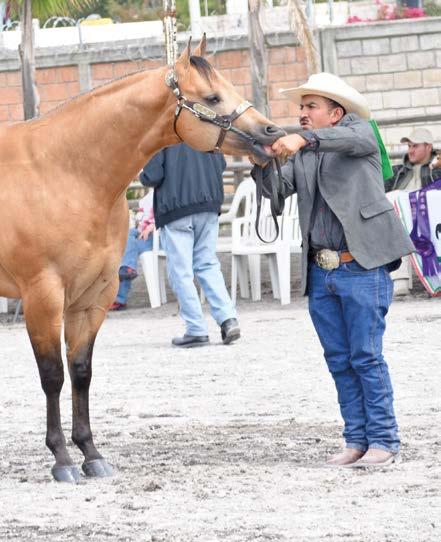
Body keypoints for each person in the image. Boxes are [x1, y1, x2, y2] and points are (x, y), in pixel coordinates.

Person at [253, 72, 414, 467]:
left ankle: (384, 439)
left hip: (361, 266)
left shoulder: (361, 133)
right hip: (322, 271)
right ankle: (356, 440)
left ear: (337, 113)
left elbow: (355, 139)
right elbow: (276, 192)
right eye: (301, 107)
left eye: (311, 106)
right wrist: (261, 162)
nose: (303, 113)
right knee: (340, 360)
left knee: (366, 356)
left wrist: (303, 139)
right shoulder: (305, 153)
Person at [140, 143, 240, 348]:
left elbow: (152, 175)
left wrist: (141, 173)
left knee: (180, 272)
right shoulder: (206, 131)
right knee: (207, 264)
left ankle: (196, 329)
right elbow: (220, 164)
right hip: (209, 203)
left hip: (176, 207)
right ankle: (228, 319)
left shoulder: (164, 135)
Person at [110, 191, 155, 311]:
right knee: (125, 241)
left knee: (127, 254)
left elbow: (166, 215)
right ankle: (127, 270)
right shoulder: (148, 197)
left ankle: (120, 299)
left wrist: (152, 227)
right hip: (140, 232)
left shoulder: (167, 193)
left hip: (155, 236)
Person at [385, 127, 441, 192]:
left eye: (415, 146)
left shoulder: (438, 170)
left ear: (428, 147)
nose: (410, 151)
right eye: (409, 146)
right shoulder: (396, 171)